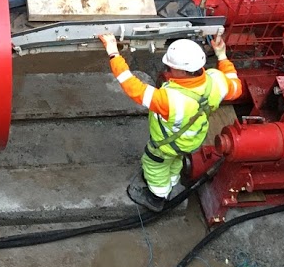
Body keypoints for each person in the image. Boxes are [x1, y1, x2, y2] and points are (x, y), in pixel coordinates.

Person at [98, 32, 243, 212]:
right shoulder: (217, 80)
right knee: (176, 161)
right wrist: (222, 55)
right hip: (193, 140)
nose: (167, 69)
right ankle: (171, 183)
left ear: (182, 71)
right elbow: (236, 86)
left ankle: (156, 197)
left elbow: (131, 85)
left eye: (171, 67)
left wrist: (113, 53)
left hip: (165, 145)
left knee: (154, 165)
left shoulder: (169, 99)